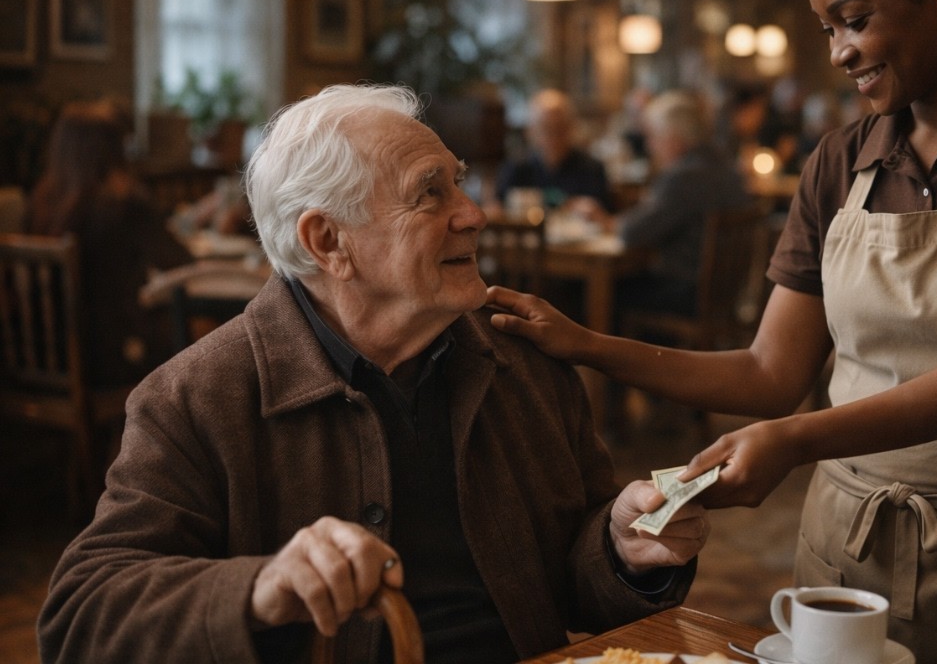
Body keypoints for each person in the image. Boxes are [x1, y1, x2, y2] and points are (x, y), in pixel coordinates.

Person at [487, 0, 937, 661]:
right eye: (826, 29)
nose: (837, 52)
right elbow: (770, 372)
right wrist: (584, 343)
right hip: (851, 554)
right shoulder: (839, 162)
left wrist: (798, 439)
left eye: (853, 20)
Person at [37, 84, 709, 664]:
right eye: (431, 193)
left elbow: (574, 578)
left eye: (460, 181)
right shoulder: (197, 398)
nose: (473, 213)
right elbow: (79, 620)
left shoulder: (526, 364)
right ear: (329, 242)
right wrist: (258, 590)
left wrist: (622, 549)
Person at [25, 100, 193, 385]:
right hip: (110, 359)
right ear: (113, 153)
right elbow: (181, 263)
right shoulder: (123, 206)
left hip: (42, 355)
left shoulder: (40, 204)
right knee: (206, 333)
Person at [572, 90, 751, 318]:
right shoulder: (725, 165)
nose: (650, 146)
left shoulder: (684, 177)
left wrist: (603, 220)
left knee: (587, 292)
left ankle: (616, 354)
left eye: (654, 137)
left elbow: (633, 232)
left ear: (674, 139)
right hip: (724, 292)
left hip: (688, 290)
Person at [496, 88, 612, 212]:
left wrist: (594, 212)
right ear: (531, 132)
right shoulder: (516, 168)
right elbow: (497, 210)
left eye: (560, 128)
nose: (553, 138)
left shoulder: (592, 169)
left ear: (571, 128)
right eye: (545, 129)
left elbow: (608, 220)